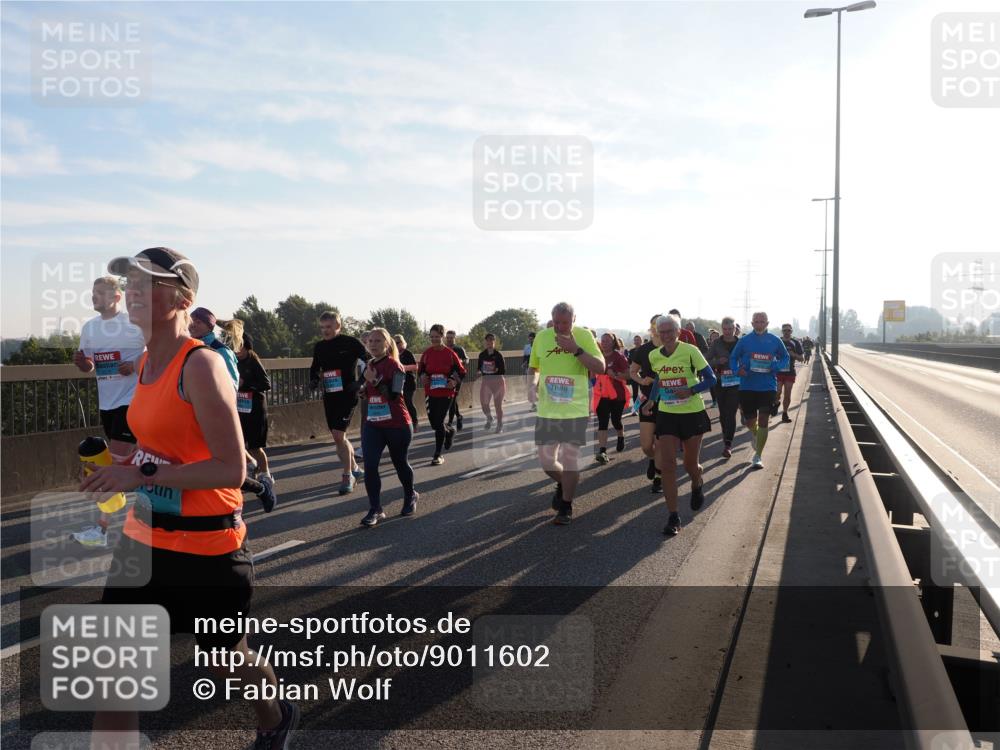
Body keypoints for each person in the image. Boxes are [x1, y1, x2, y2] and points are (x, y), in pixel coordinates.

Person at [84, 247, 297, 749]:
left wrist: (141, 476)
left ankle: (274, 714)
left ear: (182, 299)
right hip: (143, 541)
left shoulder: (200, 365)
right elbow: (158, 446)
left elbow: (232, 467)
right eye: (129, 282)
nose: (132, 290)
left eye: (147, 282)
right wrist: (122, 464)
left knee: (227, 662)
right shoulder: (141, 366)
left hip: (208, 550)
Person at [70, 276, 147, 547]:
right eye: (93, 293)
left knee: (113, 463)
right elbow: (89, 366)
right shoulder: (90, 328)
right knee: (136, 462)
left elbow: (155, 351)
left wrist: (135, 365)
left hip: (133, 400)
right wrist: (83, 363)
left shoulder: (132, 322)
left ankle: (102, 531)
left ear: (116, 297)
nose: (94, 297)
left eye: (100, 293)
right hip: (107, 403)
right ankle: (155, 516)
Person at [189, 311, 276, 510]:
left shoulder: (220, 350)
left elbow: (232, 384)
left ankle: (259, 488)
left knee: (225, 462)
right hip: (195, 412)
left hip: (220, 411)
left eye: (198, 321)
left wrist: (220, 406)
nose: (193, 324)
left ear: (209, 326)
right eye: (191, 320)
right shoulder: (188, 346)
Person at [528, 302, 605, 525]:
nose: (561, 327)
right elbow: (534, 367)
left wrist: (576, 350)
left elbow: (600, 367)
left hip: (575, 408)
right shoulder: (542, 337)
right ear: (551, 319)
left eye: (566, 323)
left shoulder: (583, 336)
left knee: (569, 459)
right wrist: (532, 384)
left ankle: (566, 506)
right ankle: (564, 484)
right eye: (557, 323)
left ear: (574, 320)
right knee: (546, 461)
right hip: (548, 409)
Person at [641, 314, 717, 536]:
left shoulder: (690, 351)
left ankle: (697, 481)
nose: (665, 335)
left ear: (678, 332)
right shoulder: (655, 355)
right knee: (667, 464)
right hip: (667, 414)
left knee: (690, 465)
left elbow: (711, 379)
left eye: (669, 331)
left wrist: (691, 390)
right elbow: (659, 380)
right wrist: (651, 400)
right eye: (660, 331)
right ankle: (673, 516)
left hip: (692, 413)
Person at [358, 328, 418, 526]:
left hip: (397, 424)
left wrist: (374, 380)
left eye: (377, 341)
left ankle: (410, 496)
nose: (373, 344)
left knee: (400, 463)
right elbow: (369, 391)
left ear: (386, 344)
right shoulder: (368, 365)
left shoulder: (396, 366)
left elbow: (393, 395)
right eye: (370, 341)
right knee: (370, 464)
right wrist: (363, 392)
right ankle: (375, 509)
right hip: (374, 424)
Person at [309, 311, 367, 495]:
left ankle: (347, 474)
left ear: (338, 326)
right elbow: (315, 367)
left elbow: (371, 362)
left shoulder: (351, 343)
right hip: (330, 395)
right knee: (339, 437)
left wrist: (359, 383)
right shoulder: (319, 347)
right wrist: (313, 380)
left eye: (329, 327)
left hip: (348, 395)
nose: (325, 331)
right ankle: (356, 469)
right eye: (322, 327)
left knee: (337, 435)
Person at [729, 311, 789, 470]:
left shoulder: (775, 340)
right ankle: (756, 435)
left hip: (767, 386)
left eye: (762, 321)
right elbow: (733, 358)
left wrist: (775, 366)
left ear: (767, 323)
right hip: (747, 386)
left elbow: (785, 358)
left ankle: (758, 456)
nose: (759, 324)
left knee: (763, 419)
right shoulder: (744, 340)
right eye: (756, 321)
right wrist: (736, 370)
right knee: (750, 422)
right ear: (752, 323)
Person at [235, 332, 275, 509]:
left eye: (240, 346)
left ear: (247, 347)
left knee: (255, 446)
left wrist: (246, 383)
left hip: (256, 408)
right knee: (237, 443)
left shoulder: (253, 361)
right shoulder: (233, 360)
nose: (237, 350)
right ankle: (251, 467)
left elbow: (266, 384)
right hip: (240, 407)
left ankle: (266, 474)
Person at [419, 324, 466, 465]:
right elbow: (420, 371)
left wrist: (453, 381)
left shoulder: (450, 354)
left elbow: (461, 372)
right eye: (432, 337)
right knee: (435, 424)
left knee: (439, 422)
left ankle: (437, 454)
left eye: (437, 337)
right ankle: (449, 431)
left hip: (446, 393)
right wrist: (422, 377)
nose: (434, 339)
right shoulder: (426, 353)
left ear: (442, 337)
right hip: (431, 392)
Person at [630, 315, 664, 493]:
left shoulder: (673, 348)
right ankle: (652, 459)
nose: (657, 329)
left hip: (667, 401)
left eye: (661, 325)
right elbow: (633, 372)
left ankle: (658, 477)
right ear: (651, 328)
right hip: (646, 400)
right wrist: (642, 381)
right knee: (646, 445)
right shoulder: (643, 350)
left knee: (660, 442)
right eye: (655, 325)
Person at [707, 317, 741, 458]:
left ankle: (728, 444)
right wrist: (717, 361)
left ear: (735, 329)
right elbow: (706, 361)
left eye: (730, 329)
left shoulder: (741, 343)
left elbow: (747, 359)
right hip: (720, 382)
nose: (727, 332)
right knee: (723, 414)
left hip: (736, 382)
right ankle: (725, 436)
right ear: (722, 329)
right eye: (725, 329)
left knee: (731, 412)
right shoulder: (716, 343)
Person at [593, 333, 630, 464]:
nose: (604, 343)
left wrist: (614, 375)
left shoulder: (618, 356)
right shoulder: (598, 356)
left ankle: (621, 436)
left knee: (615, 420)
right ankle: (602, 450)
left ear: (613, 342)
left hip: (617, 394)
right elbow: (593, 373)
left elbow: (628, 374)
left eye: (607, 341)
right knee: (602, 422)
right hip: (602, 394)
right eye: (602, 341)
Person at [477, 333, 507, 432]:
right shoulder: (482, 355)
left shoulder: (498, 355)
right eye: (488, 340)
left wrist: (495, 370)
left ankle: (499, 424)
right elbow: (479, 368)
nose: (490, 342)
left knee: (497, 405)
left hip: (498, 382)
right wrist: (479, 371)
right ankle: (490, 418)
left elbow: (503, 371)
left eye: (492, 340)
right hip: (486, 382)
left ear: (494, 342)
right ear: (485, 342)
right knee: (484, 404)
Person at [777, 324, 804, 423]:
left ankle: (785, 413)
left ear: (791, 331)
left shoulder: (796, 342)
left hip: (790, 372)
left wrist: (793, 354)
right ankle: (776, 403)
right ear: (782, 331)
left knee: (787, 394)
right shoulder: (778, 341)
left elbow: (802, 359)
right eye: (784, 330)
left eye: (788, 330)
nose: (786, 332)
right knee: (778, 392)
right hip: (778, 371)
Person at [445, 330, 470, 431]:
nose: (449, 339)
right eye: (448, 337)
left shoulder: (459, 349)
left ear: (454, 338)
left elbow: (467, 359)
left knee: (453, 398)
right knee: (451, 399)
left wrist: (462, 361)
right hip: (445, 377)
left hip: (457, 377)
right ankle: (459, 416)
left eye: (451, 337)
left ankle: (450, 422)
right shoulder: (444, 348)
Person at [394, 334, 419, 431]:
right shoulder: (392, 354)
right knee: (398, 403)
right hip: (398, 381)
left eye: (398, 342)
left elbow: (415, 366)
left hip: (409, 382)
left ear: (402, 343)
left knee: (408, 401)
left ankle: (415, 421)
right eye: (394, 343)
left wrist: (403, 367)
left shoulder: (407, 353)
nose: (396, 345)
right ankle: (403, 423)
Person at [626, 334, 644, 408]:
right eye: (635, 340)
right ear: (634, 342)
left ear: (641, 341)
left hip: (643, 374)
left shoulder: (644, 350)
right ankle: (635, 408)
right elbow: (629, 362)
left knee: (644, 391)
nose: (637, 341)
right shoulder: (631, 351)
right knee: (635, 392)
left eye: (638, 340)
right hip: (634, 374)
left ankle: (643, 405)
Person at [523, 332, 536, 411]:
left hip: (538, 369)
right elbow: (525, 357)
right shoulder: (527, 347)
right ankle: (534, 405)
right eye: (529, 338)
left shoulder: (538, 346)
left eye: (532, 338)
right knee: (530, 387)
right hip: (529, 368)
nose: (530, 340)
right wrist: (523, 363)